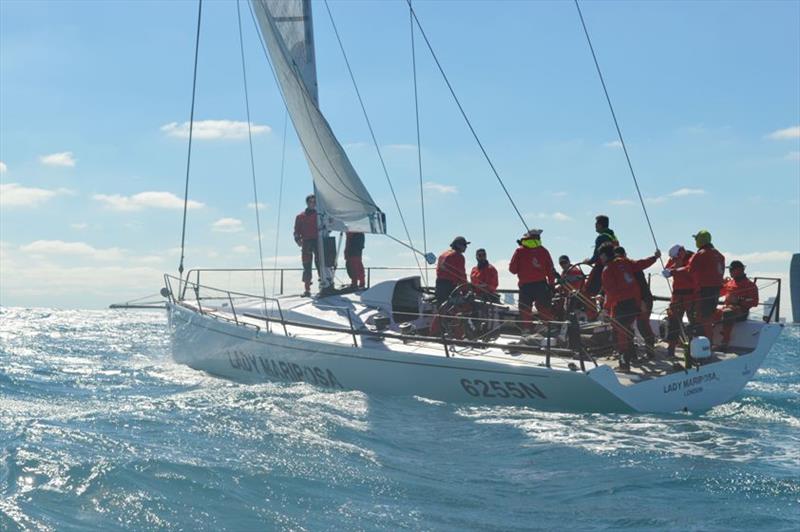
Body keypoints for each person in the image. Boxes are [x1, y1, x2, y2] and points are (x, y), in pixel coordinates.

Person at [599, 244, 661, 371]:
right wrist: (654, 258)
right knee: (631, 329)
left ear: (604, 255)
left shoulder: (607, 270)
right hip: (635, 301)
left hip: (622, 304)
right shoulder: (624, 262)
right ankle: (636, 356)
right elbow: (640, 264)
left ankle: (624, 364)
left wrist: (605, 308)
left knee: (620, 333)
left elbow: (610, 292)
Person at [665, 230, 724, 343]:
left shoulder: (700, 254)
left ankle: (701, 350)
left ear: (700, 241)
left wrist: (673, 272)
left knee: (700, 321)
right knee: (706, 321)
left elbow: (689, 269)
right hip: (715, 291)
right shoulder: (719, 255)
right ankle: (707, 347)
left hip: (702, 292)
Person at [614, 246, 659, 358]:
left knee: (642, 325)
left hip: (643, 299)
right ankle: (631, 354)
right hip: (633, 301)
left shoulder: (631, 265)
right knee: (628, 326)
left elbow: (642, 283)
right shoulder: (619, 269)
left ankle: (650, 353)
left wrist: (643, 301)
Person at [509, 229, 556, 329]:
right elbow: (551, 270)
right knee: (544, 310)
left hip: (525, 286)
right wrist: (552, 284)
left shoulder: (519, 251)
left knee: (525, 311)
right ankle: (548, 330)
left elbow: (512, 270)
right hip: (541, 285)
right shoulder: (543, 251)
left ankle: (527, 332)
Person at [716, 260, 758, 350]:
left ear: (739, 270)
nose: (730, 272)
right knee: (709, 313)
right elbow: (718, 293)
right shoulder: (729, 283)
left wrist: (739, 300)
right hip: (726, 308)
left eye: (731, 269)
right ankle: (708, 341)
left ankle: (725, 342)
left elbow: (755, 302)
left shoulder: (750, 285)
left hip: (741, 311)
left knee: (728, 313)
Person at [662, 244, 695, 357]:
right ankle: (671, 349)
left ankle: (693, 349)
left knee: (694, 322)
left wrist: (674, 270)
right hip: (677, 294)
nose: (674, 260)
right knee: (673, 321)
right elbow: (667, 270)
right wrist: (670, 270)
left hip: (691, 294)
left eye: (676, 257)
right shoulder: (673, 259)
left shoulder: (693, 258)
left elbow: (689, 270)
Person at [582, 214, 620, 296]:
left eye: (596, 224)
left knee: (587, 289)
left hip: (602, 267)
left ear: (600, 225)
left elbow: (596, 257)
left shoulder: (601, 237)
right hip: (615, 266)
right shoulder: (613, 236)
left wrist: (588, 262)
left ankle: (589, 307)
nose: (595, 226)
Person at [293, 194, 319, 297]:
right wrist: (297, 240)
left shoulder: (320, 215)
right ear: (307, 203)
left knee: (320, 264)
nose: (312, 204)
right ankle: (307, 290)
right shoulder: (300, 217)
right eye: (311, 202)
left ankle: (324, 286)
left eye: (314, 202)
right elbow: (296, 231)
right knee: (307, 265)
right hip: (306, 242)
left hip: (318, 241)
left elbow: (327, 227)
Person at [435, 236, 469, 306]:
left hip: (439, 285)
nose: (466, 247)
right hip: (450, 287)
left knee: (442, 308)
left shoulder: (443, 255)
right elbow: (462, 275)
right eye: (464, 245)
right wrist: (465, 291)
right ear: (458, 245)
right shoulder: (459, 256)